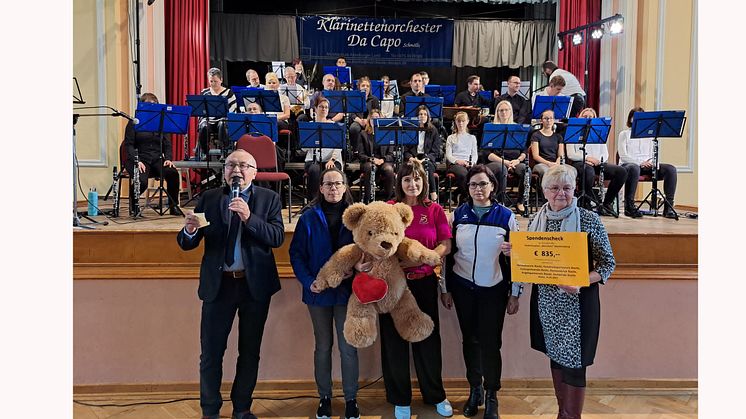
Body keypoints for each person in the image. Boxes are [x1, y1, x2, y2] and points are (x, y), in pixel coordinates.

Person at [501, 164, 615, 419]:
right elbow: (531, 261)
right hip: (547, 303)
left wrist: (581, 280)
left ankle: (570, 416)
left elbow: (608, 265)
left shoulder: (588, 219)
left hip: (577, 304)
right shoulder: (535, 220)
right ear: (544, 191)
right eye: (554, 188)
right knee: (556, 357)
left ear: (575, 189)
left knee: (575, 363)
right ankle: (562, 412)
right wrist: (514, 253)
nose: (561, 193)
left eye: (567, 187)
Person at [177, 149, 284, 419]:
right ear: (224, 171)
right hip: (219, 286)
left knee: (249, 352)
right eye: (231, 165)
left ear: (254, 171)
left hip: (254, 287)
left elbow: (276, 237)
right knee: (211, 354)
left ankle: (242, 408)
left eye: (243, 165)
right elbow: (188, 242)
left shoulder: (269, 199)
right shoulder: (210, 198)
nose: (236, 170)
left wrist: (249, 218)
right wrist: (189, 231)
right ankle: (210, 411)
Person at [443, 164, 521, 419]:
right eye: (474, 184)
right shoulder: (458, 215)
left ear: (493, 186)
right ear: (467, 188)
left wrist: (515, 293)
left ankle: (492, 394)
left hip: (494, 290)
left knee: (490, 343)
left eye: (483, 184)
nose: (478, 189)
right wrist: (445, 288)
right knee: (470, 341)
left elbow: (518, 257)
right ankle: (474, 389)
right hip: (463, 287)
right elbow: (446, 255)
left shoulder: (506, 216)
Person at [381, 159, 453, 419]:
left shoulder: (433, 210)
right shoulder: (389, 209)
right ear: (399, 183)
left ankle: (435, 394)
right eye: (407, 179)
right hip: (393, 285)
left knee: (427, 340)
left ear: (425, 183)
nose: (413, 184)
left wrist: (424, 257)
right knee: (394, 341)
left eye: (417, 179)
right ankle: (400, 398)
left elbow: (445, 243)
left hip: (423, 283)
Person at [289, 168, 361, 419]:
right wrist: (309, 282)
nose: (333, 189)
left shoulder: (356, 218)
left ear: (345, 187)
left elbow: (364, 251)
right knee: (323, 347)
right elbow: (296, 254)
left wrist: (357, 270)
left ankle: (351, 399)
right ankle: (325, 398)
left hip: (346, 292)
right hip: (317, 293)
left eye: (338, 184)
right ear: (320, 188)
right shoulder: (308, 217)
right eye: (328, 184)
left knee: (348, 348)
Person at [122, 92, 182, 215]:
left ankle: (173, 206)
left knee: (173, 174)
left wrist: (169, 159)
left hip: (156, 159)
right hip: (139, 159)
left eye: (155, 106)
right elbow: (128, 145)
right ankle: (134, 204)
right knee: (142, 181)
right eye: (149, 106)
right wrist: (136, 161)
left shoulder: (161, 123)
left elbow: (167, 144)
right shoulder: (134, 123)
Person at [617, 106, 678, 218]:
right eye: (636, 117)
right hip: (630, 165)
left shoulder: (650, 136)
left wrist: (653, 163)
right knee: (634, 168)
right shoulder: (624, 134)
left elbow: (653, 154)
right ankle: (629, 207)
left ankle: (668, 207)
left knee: (670, 169)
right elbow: (623, 156)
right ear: (631, 119)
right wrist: (640, 162)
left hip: (647, 165)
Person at [566, 108, 627, 215]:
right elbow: (571, 154)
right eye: (585, 117)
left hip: (597, 163)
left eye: (591, 117)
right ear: (580, 118)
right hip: (579, 162)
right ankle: (587, 202)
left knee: (621, 172)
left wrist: (597, 161)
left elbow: (605, 153)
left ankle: (607, 203)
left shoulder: (598, 131)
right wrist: (587, 158)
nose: (588, 119)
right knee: (588, 171)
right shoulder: (573, 130)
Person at [481, 100, 529, 213]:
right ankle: (499, 201)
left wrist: (517, 161)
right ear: (497, 112)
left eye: (506, 110)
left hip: (515, 161)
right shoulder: (492, 128)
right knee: (501, 168)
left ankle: (520, 202)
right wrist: (506, 162)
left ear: (510, 111)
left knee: (526, 170)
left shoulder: (518, 128)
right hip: (496, 161)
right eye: (501, 110)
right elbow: (486, 153)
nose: (504, 113)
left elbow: (524, 150)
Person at [304, 96, 343, 202]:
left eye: (326, 107)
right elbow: (303, 148)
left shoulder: (333, 126)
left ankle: (331, 200)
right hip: (313, 160)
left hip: (331, 160)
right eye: (321, 107)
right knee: (314, 170)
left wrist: (332, 159)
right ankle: (314, 201)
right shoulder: (309, 126)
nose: (324, 109)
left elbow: (338, 147)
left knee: (332, 171)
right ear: (315, 109)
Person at [403, 105, 442, 202]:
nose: (422, 116)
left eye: (425, 114)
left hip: (427, 158)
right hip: (413, 158)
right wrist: (411, 158)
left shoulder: (433, 131)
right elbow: (405, 149)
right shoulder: (410, 130)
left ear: (428, 117)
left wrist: (425, 159)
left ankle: (432, 192)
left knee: (426, 165)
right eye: (420, 114)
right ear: (416, 116)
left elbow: (436, 151)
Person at [198, 67, 237, 159]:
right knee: (203, 126)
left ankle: (224, 152)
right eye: (211, 81)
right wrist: (203, 118)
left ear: (221, 80)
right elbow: (200, 110)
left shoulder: (228, 93)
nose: (213, 84)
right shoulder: (205, 92)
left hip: (223, 120)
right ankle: (204, 152)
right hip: (208, 120)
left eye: (215, 81)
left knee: (222, 124)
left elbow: (232, 111)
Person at [358, 108, 395, 203]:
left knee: (389, 170)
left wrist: (382, 160)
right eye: (372, 118)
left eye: (377, 117)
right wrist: (372, 159)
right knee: (370, 168)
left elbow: (391, 154)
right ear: (369, 120)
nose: (374, 120)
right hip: (369, 161)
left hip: (384, 161)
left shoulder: (387, 133)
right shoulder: (363, 134)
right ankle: (368, 199)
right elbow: (361, 155)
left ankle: (389, 199)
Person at [530, 109, 575, 182]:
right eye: (546, 118)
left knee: (572, 171)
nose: (548, 120)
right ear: (541, 120)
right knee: (546, 172)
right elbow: (535, 156)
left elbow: (561, 155)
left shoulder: (558, 136)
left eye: (551, 118)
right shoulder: (536, 135)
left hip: (555, 163)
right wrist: (549, 163)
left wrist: (557, 163)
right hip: (541, 164)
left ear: (554, 120)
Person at [445, 111, 479, 204]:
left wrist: (472, 163)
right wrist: (457, 161)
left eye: (463, 121)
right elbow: (449, 155)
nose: (461, 123)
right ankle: (467, 197)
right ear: (455, 122)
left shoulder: (472, 138)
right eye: (459, 121)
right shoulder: (451, 137)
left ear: (467, 121)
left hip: (468, 163)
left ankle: (458, 194)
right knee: (464, 174)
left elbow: (475, 154)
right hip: (454, 164)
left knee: (478, 173)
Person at [349, 76, 381, 156]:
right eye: (363, 85)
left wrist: (367, 120)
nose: (365, 88)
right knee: (354, 128)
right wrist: (359, 120)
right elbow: (351, 113)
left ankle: (371, 152)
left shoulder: (374, 99)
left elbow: (376, 112)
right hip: (358, 120)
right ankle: (355, 151)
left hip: (370, 121)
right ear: (359, 87)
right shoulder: (354, 98)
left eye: (367, 86)